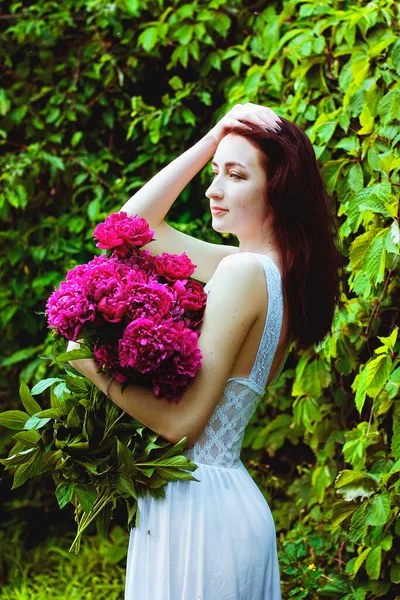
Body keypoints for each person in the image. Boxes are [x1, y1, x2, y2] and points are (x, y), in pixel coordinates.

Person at [68, 103, 344, 599]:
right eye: (216, 171)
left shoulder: (243, 274)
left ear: (278, 190)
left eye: (235, 175)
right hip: (216, 502)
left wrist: (88, 362)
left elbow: (181, 424)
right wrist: (217, 135)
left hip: (200, 511)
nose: (213, 189)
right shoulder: (266, 271)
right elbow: (128, 227)